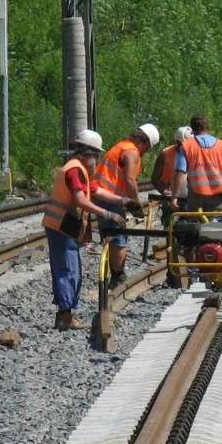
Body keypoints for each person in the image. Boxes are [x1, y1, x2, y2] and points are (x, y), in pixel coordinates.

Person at [42, 130, 127, 331]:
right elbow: (81, 200)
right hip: (61, 228)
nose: (96, 160)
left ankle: (67, 314)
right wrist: (108, 215)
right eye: (96, 155)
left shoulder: (80, 170)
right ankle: (65, 316)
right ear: (86, 153)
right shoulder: (74, 170)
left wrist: (123, 201)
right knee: (67, 271)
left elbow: (96, 190)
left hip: (66, 228)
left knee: (72, 271)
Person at [94, 123, 157, 287]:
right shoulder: (132, 152)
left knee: (110, 235)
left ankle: (111, 274)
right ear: (145, 142)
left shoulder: (121, 146)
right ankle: (118, 276)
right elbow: (130, 180)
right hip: (111, 198)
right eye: (148, 147)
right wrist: (137, 205)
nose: (146, 151)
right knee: (119, 236)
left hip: (102, 195)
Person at [171, 116, 222, 213]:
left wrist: (174, 197)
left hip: (196, 198)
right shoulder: (221, 145)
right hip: (217, 198)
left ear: (193, 130)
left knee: (195, 225)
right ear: (208, 128)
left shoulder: (187, 146)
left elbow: (181, 173)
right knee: (218, 226)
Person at [150, 125, 191, 198]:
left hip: (190, 197)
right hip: (169, 196)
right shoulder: (165, 154)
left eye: (184, 144)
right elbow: (155, 179)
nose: (181, 146)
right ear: (176, 141)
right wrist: (163, 191)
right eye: (179, 143)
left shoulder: (196, 154)